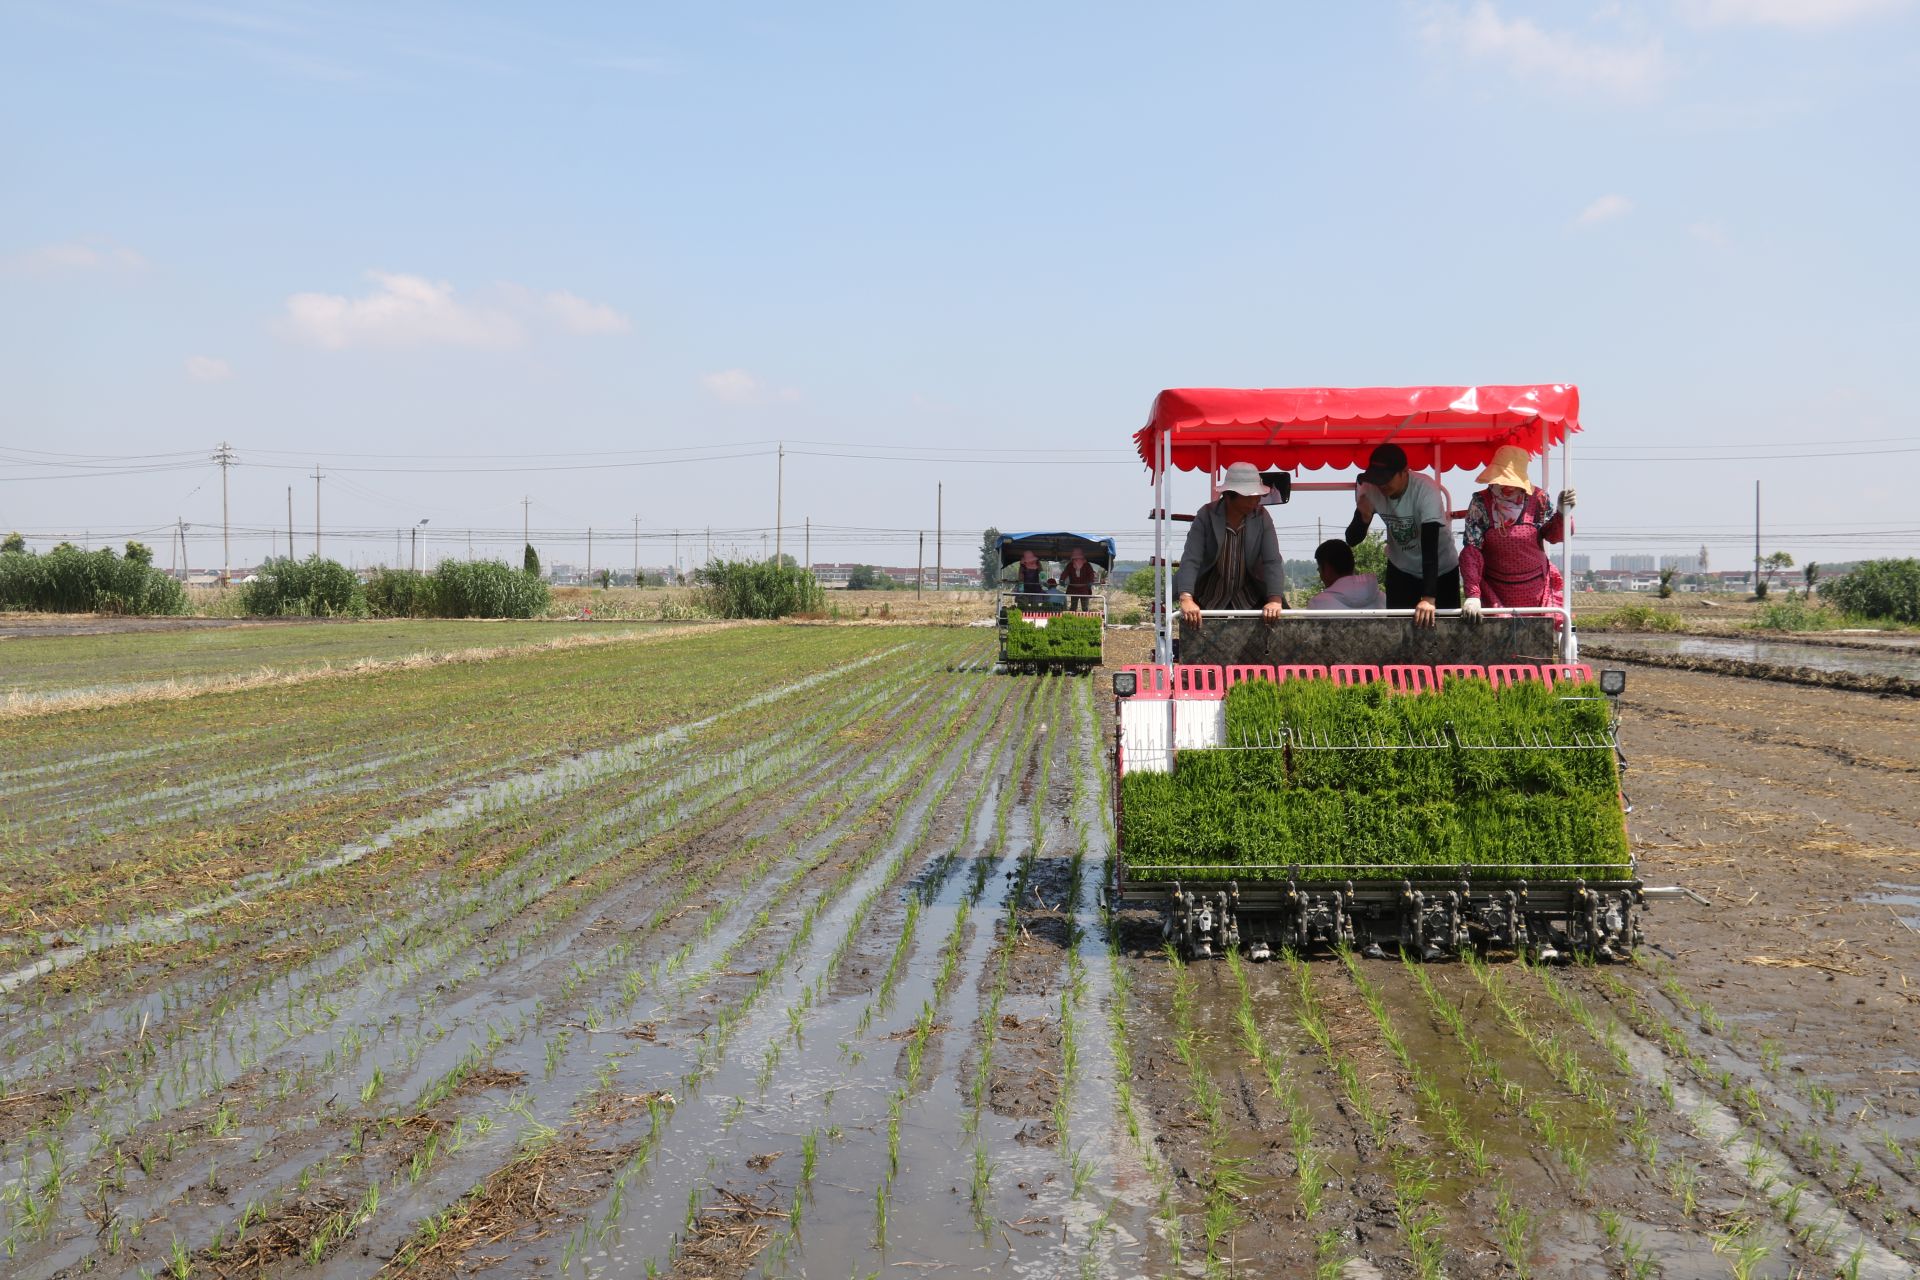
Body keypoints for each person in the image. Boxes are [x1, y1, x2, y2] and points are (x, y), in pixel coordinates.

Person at [1346, 443, 1460, 627]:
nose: (1382, 485)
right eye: (1377, 479)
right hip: (1401, 568)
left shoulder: (1426, 490)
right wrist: (1363, 519)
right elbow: (1351, 539)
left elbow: (1429, 546)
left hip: (1440, 568)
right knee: (1398, 631)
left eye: (1387, 479)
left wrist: (1429, 597)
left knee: (1446, 630)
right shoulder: (1371, 488)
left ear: (1404, 472)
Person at [1458, 445, 1575, 620]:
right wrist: (1473, 594)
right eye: (1502, 479)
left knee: (1537, 638)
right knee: (1500, 638)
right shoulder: (1481, 502)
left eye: (1511, 481)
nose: (1506, 485)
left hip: (1536, 586)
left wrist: (1562, 514)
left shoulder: (1539, 499)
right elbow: (1472, 551)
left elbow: (1555, 536)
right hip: (1495, 589)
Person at [1174, 461, 1288, 628]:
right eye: (1249, 496)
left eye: (1257, 495)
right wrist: (1186, 598)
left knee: (1265, 644)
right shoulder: (1206, 515)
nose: (1256, 501)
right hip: (1210, 597)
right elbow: (1191, 559)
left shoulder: (1262, 516)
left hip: (1249, 597)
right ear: (1229, 496)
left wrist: (1274, 599)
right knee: (1201, 648)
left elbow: (1272, 561)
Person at [1306, 538, 1384, 609]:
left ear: (1327, 569)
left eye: (1319, 569)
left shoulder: (1317, 605)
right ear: (1352, 565)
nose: (1320, 575)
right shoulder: (1382, 598)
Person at [1061, 546, 1101, 611]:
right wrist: (1062, 579)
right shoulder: (1070, 565)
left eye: (1078, 559)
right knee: (1073, 607)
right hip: (1073, 589)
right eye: (1075, 559)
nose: (1076, 560)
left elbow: (1091, 574)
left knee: (1085, 607)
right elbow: (1065, 573)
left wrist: (1091, 581)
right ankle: (1071, 619)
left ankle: (1086, 620)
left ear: (1082, 559)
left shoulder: (1087, 565)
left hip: (1084, 589)